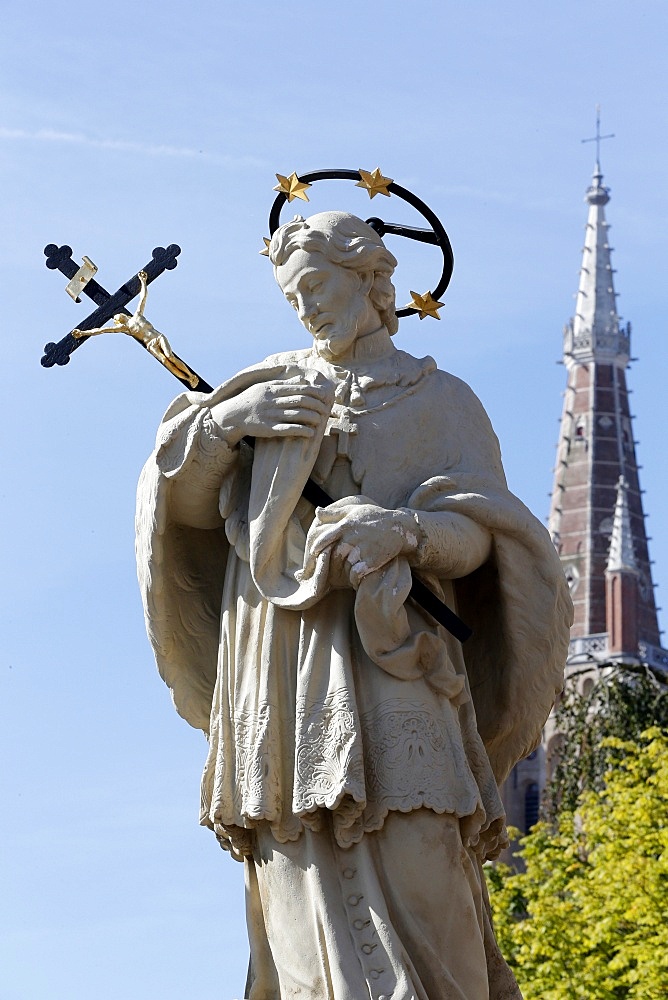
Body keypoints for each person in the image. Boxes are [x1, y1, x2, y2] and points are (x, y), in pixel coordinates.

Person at [136, 211, 572, 999]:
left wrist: (403, 531)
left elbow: (487, 534)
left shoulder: (442, 401)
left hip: (401, 671)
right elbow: (187, 514)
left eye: (314, 286)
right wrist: (229, 424)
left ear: (371, 280)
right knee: (299, 894)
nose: (303, 307)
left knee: (427, 877)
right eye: (289, 294)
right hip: (283, 673)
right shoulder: (266, 387)